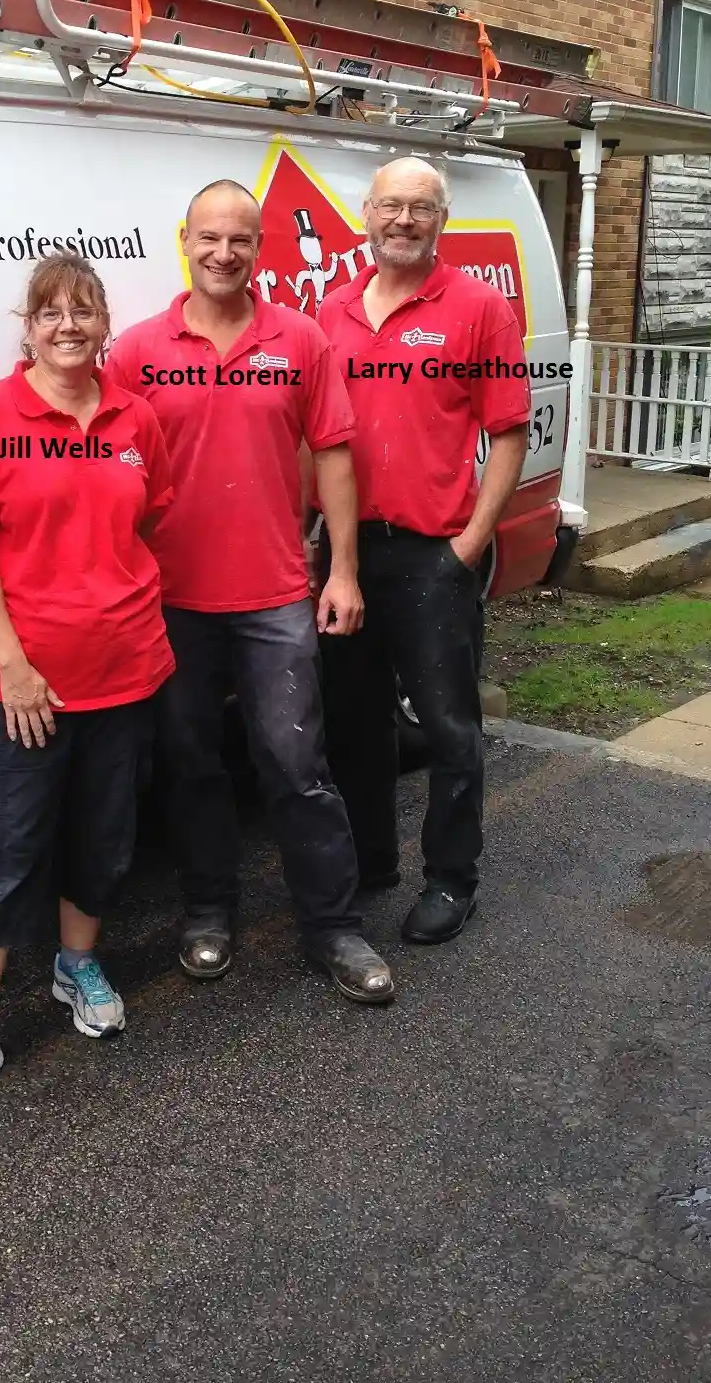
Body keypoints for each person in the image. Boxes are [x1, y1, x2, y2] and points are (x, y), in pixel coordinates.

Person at [104, 179, 393, 1004]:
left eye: (238, 240)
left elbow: (334, 453)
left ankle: (333, 928)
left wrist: (341, 570)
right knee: (193, 764)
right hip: (172, 600)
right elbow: (100, 458)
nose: (222, 253)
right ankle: (208, 912)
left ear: (258, 248)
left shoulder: (299, 340)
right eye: (208, 238)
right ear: (183, 241)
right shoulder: (136, 350)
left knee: (296, 763)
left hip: (273, 594)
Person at [0, 253, 176, 1122]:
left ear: (106, 322)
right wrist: (17, 664)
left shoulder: (135, 418)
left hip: (127, 669)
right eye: (50, 312)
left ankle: (77, 964)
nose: (68, 325)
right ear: (27, 326)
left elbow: (147, 522)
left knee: (105, 841)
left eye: (84, 309)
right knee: (1, 856)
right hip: (23, 686)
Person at [316, 157, 531, 944]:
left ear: (442, 220)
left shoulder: (478, 309)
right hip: (343, 553)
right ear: (365, 216)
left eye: (420, 209)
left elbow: (508, 432)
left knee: (447, 727)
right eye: (390, 207)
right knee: (355, 721)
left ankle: (452, 879)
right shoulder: (331, 312)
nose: (403, 221)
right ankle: (372, 861)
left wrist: (468, 545)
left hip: (433, 555)